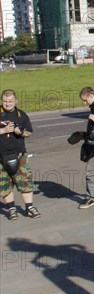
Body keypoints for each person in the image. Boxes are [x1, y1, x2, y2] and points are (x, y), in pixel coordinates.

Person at [0, 89, 41, 219]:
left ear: (15, 101)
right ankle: (11, 209)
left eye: (10, 101)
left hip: (19, 154)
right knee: (4, 184)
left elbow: (29, 132)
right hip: (1, 155)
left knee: (25, 181)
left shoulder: (20, 114)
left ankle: (30, 207)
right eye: (5, 101)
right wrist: (4, 130)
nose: (8, 104)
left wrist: (19, 132)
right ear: (2, 101)